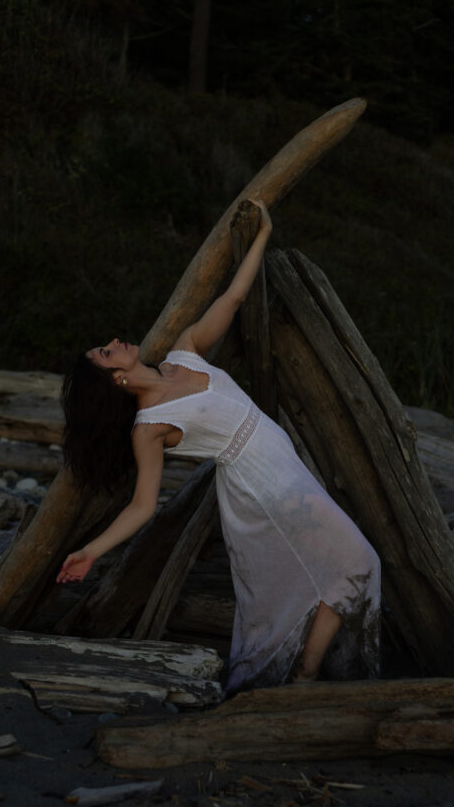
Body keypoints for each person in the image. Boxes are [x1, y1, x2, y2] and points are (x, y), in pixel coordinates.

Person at [57, 200, 381, 692]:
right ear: (117, 380)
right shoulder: (149, 426)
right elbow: (143, 506)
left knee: (341, 566)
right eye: (106, 352)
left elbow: (232, 298)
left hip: (285, 469)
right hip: (261, 490)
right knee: (358, 561)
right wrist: (90, 551)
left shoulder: (183, 352)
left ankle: (306, 675)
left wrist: (262, 236)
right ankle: (306, 677)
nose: (116, 341)